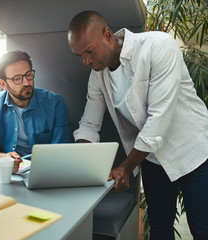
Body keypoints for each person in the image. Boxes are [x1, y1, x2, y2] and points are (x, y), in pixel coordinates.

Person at [67, 10, 208, 240]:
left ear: (108, 35)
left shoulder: (158, 46)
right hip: (151, 157)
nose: (87, 61)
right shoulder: (97, 76)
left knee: (203, 228)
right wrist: (83, 165)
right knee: (159, 229)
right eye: (79, 56)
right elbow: (89, 124)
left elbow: (158, 119)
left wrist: (124, 167)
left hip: (193, 152)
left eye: (89, 51)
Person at [0, 50, 71, 171]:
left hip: (46, 169)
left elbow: (61, 149)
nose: (26, 82)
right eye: (17, 78)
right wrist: (3, 158)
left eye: (28, 75)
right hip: (10, 172)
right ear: (3, 84)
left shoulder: (55, 103)